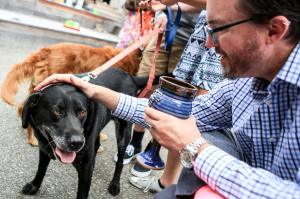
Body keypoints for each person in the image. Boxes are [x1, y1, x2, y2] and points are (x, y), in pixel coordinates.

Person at [35, 0, 300, 198]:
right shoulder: (243, 82)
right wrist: (94, 91)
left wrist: (194, 147)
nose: (209, 44)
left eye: (218, 29)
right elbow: (180, 114)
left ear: (275, 30)